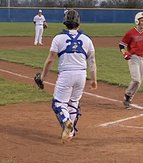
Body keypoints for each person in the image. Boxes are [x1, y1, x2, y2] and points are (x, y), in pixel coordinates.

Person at [38, 8, 98, 143]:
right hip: (81, 75)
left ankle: (66, 122)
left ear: (64, 22)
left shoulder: (58, 38)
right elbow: (92, 61)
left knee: (58, 103)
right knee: (73, 103)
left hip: (66, 74)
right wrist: (93, 79)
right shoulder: (87, 39)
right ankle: (70, 133)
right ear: (79, 22)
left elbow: (50, 59)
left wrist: (43, 77)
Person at [119, 11, 143, 109]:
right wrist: (124, 53)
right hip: (133, 58)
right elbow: (122, 45)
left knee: (139, 82)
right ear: (137, 21)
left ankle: (129, 99)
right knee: (136, 79)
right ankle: (128, 95)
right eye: (142, 21)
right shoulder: (131, 32)